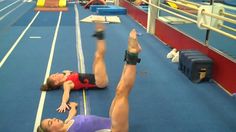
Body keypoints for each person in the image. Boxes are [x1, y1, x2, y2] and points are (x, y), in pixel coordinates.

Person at [37, 27, 142, 132]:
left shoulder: (66, 123)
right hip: (115, 129)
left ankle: (131, 54)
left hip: (111, 121)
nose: (54, 118)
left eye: (51, 119)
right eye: (51, 123)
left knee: (119, 92)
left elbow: (72, 113)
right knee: (122, 91)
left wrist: (73, 107)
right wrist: (63, 102)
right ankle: (133, 53)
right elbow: (66, 93)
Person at [41, 23, 109, 113]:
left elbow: (68, 72)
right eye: (54, 76)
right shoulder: (66, 84)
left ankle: (100, 34)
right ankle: (100, 34)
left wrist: (67, 73)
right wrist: (63, 103)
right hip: (100, 82)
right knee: (99, 56)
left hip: (96, 77)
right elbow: (66, 93)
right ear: (57, 82)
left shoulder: (67, 76)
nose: (56, 73)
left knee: (97, 56)